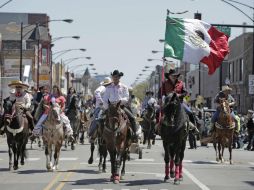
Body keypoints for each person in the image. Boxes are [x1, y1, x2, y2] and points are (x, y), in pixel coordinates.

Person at [103, 70, 138, 142]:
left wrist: (119, 102)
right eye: (114, 77)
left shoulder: (124, 87)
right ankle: (101, 137)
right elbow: (105, 99)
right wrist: (107, 108)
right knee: (100, 119)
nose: (115, 78)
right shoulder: (108, 87)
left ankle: (135, 134)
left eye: (116, 77)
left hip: (121, 106)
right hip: (110, 107)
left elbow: (126, 97)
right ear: (112, 77)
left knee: (132, 118)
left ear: (119, 77)